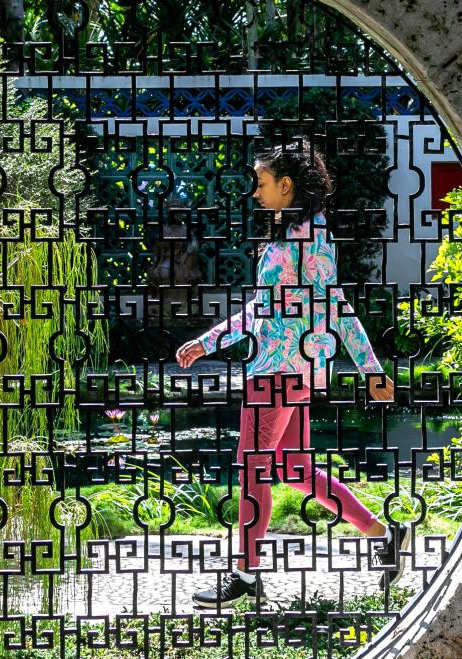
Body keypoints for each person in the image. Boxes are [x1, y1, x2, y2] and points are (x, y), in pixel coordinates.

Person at [175, 141, 411, 608]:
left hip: (282, 373)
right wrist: (209, 340)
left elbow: (335, 304)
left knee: (251, 469)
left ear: (286, 185)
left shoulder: (310, 236)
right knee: (295, 469)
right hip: (279, 368)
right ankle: (387, 533)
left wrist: (370, 368)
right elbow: (263, 310)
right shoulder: (286, 234)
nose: (256, 191)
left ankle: (244, 573)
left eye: (262, 183)